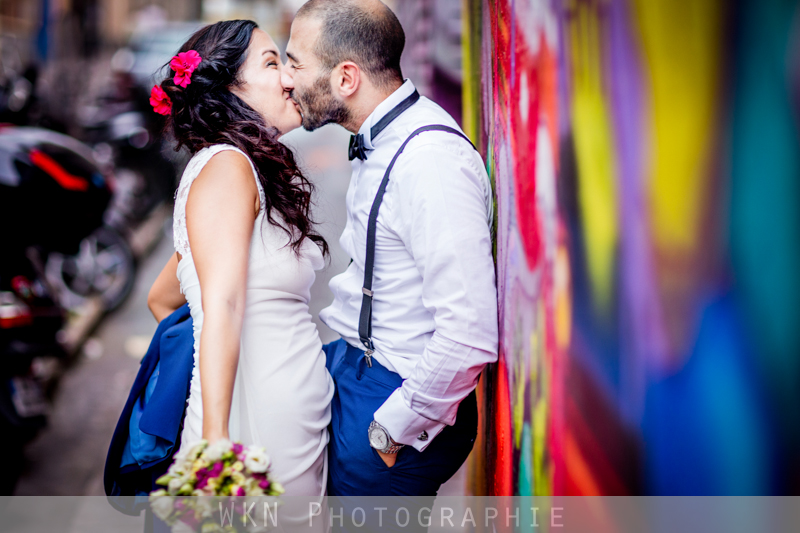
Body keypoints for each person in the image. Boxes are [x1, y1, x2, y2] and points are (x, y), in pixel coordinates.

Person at [283, 0, 499, 497]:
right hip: (356, 373)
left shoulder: (429, 161)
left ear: (346, 78)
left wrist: (392, 428)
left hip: (394, 402)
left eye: (295, 63)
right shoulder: (381, 139)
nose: (287, 80)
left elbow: (469, 331)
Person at [146, 19, 334, 501]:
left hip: (289, 430)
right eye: (272, 63)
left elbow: (166, 294)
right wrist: (216, 441)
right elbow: (222, 304)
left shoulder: (243, 168)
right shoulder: (227, 167)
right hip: (253, 435)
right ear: (228, 90)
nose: (289, 78)